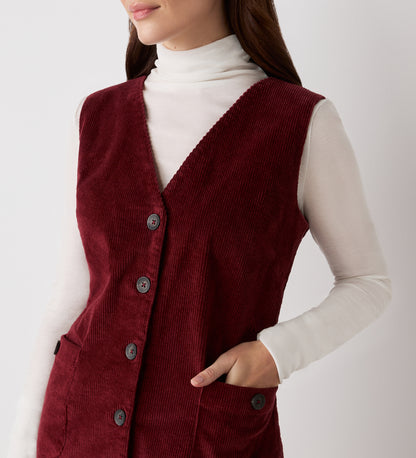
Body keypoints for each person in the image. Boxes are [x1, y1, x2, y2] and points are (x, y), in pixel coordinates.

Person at [7, 0, 392, 457]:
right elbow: (71, 298)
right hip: (75, 431)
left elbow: (367, 282)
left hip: (207, 437)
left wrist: (277, 353)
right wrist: (23, 441)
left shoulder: (300, 122)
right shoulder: (97, 115)